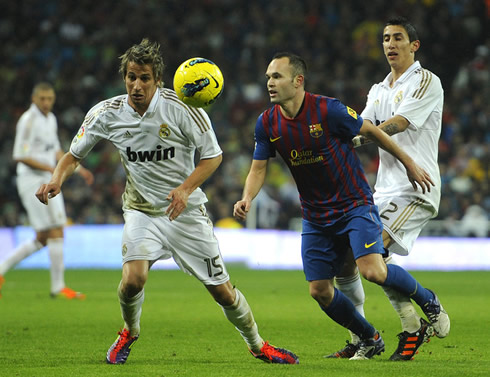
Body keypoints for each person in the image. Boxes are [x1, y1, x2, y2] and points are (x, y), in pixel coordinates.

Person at [36, 39, 299, 365]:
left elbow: (213, 157)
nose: (136, 85)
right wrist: (55, 180)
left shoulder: (184, 108)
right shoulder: (106, 114)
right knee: (133, 280)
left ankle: (258, 344)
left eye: (144, 78)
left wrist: (185, 189)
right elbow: (73, 156)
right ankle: (129, 332)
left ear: (158, 80)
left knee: (223, 292)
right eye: (131, 77)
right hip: (141, 210)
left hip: (185, 212)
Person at [233, 51, 449, 360]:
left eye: (276, 76)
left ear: (298, 81)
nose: (269, 82)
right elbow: (257, 168)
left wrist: (409, 164)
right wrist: (247, 197)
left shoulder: (328, 110)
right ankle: (368, 337)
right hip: (316, 215)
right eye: (268, 76)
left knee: (372, 270)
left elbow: (372, 131)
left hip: (354, 205)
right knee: (319, 290)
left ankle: (428, 299)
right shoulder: (266, 123)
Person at [328, 17, 450, 361]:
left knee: (370, 257)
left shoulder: (426, 82)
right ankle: (395, 329)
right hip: (383, 191)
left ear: (414, 45)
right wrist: (334, 139)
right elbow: (360, 124)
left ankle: (427, 300)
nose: (390, 44)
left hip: (416, 187)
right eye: (385, 38)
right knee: (349, 261)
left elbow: (396, 124)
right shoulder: (379, 88)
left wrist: (359, 134)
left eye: (398, 38)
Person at [0, 82, 93, 299]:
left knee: (43, 237)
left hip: (49, 179)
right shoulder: (28, 120)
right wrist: (50, 168)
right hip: (31, 180)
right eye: (42, 98)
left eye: (49, 99)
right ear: (34, 99)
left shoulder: (50, 119)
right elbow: (20, 155)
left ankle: (1, 271)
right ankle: (58, 287)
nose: (46, 103)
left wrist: (80, 170)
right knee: (55, 230)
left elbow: (57, 151)